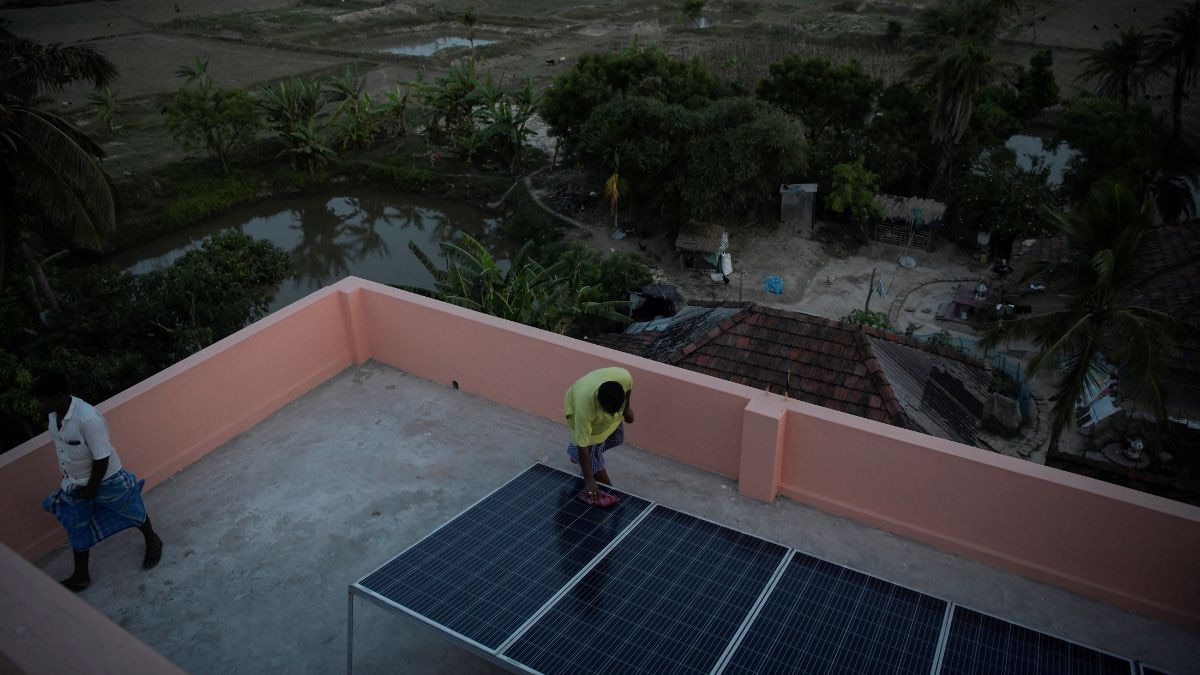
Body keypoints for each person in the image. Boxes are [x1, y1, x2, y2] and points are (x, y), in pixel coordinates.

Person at [31, 372, 163, 591]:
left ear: (59, 396)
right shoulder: (55, 415)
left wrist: (92, 488)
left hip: (107, 479)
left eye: (43, 400)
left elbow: (101, 458)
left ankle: (153, 539)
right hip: (74, 483)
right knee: (76, 525)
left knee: (131, 510)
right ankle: (81, 575)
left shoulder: (88, 419)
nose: (39, 405)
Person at [564, 366, 634, 507]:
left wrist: (626, 409)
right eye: (608, 411)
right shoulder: (584, 409)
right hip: (586, 422)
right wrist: (590, 481)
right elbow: (583, 445)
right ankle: (611, 490)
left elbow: (628, 388)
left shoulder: (623, 376)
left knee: (616, 439)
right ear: (600, 402)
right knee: (591, 457)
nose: (611, 414)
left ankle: (577, 455)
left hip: (607, 422)